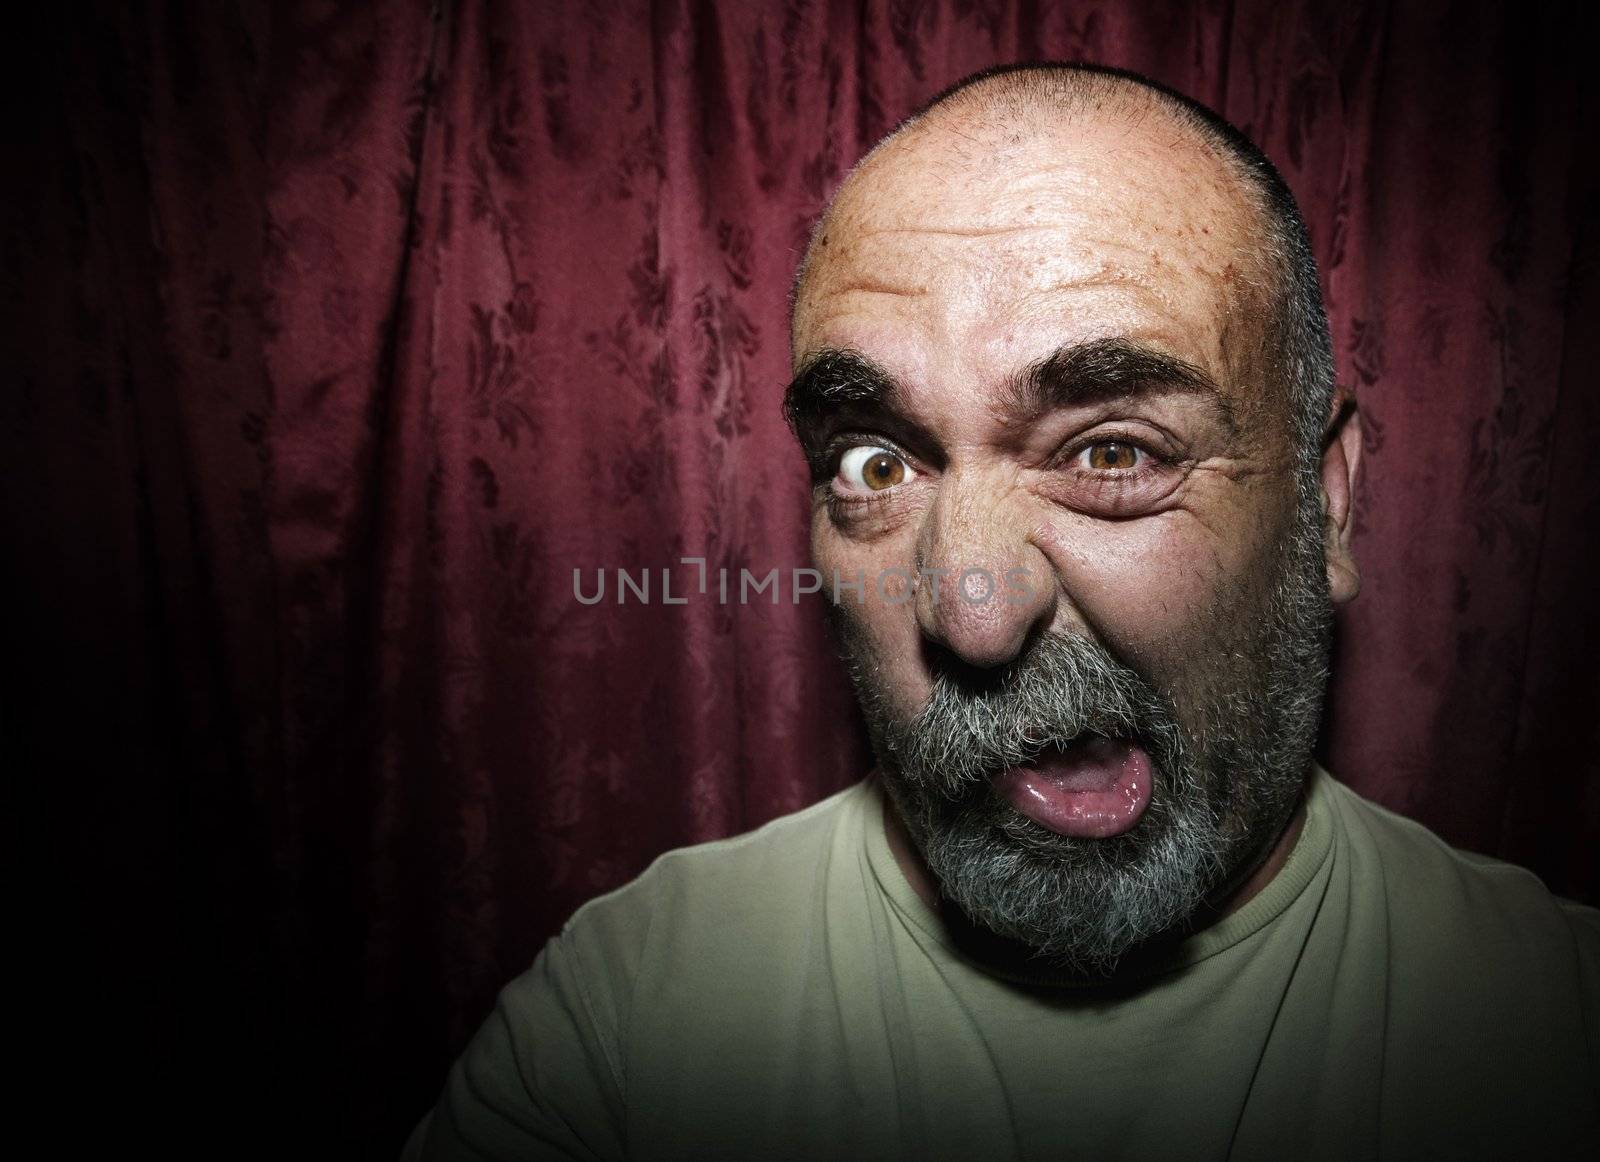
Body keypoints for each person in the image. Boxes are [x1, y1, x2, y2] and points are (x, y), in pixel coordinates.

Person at [406, 64, 1599, 1160]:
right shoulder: (632, 1018)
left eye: (1113, 448)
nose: (970, 614)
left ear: (1324, 506)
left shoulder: (1550, 1032)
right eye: (875, 463)